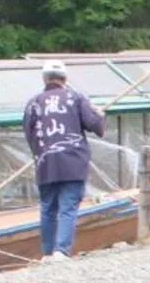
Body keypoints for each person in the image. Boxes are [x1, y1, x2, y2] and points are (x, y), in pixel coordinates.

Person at [24, 61, 105, 261]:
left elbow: (29, 133)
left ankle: (48, 253)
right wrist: (101, 115)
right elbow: (96, 126)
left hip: (45, 164)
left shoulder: (33, 103)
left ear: (44, 79)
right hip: (73, 162)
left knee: (48, 208)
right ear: (65, 79)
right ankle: (62, 250)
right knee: (68, 207)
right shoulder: (76, 98)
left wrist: (41, 154)